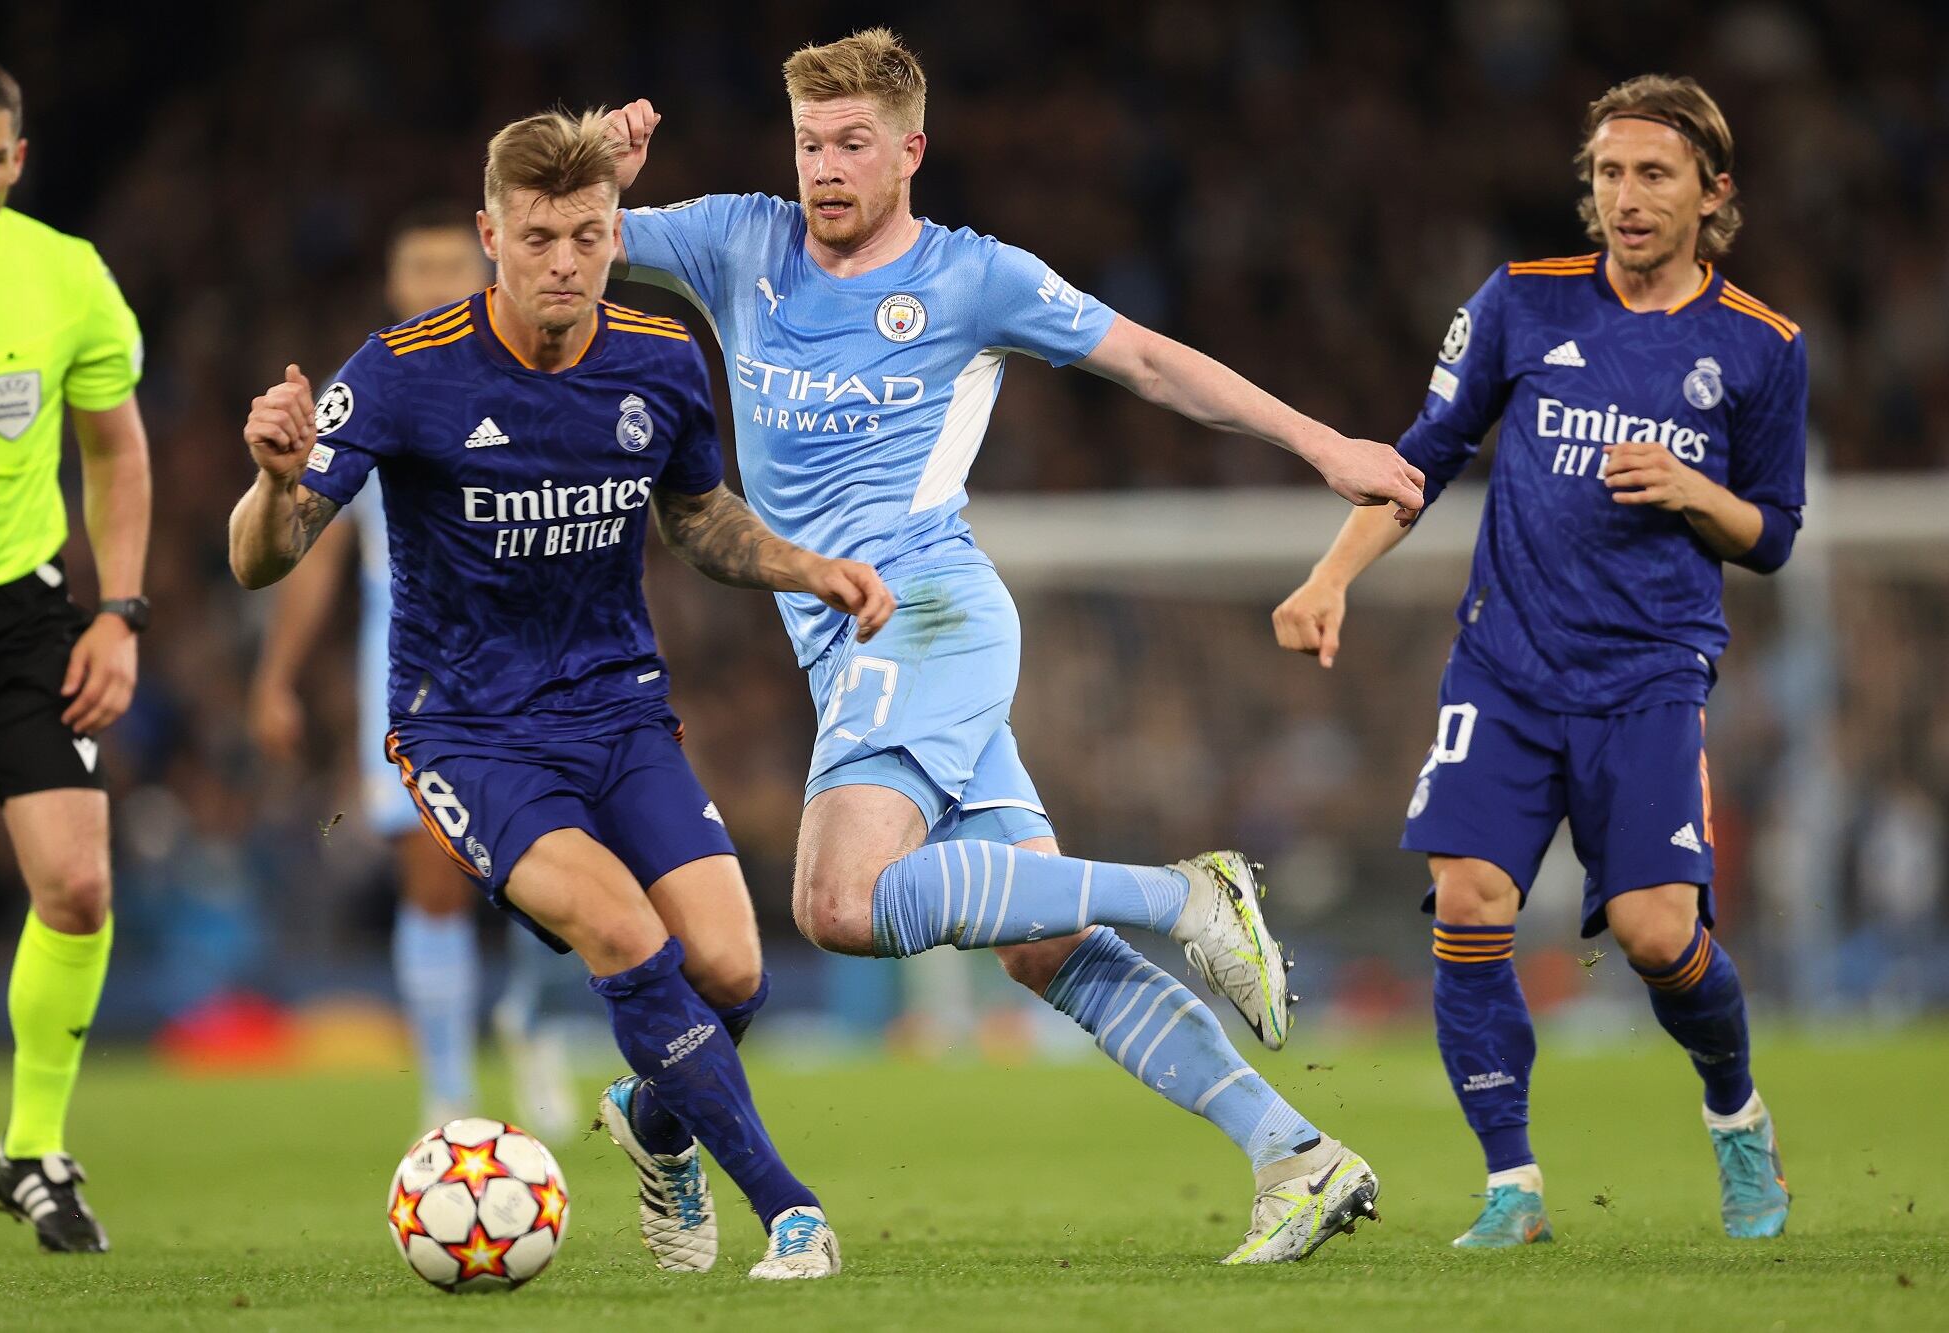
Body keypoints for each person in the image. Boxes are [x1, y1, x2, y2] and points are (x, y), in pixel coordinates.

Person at [601, 28, 1427, 1265]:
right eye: (809, 143)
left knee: (835, 899)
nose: (825, 169)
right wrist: (595, 169)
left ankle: (1184, 895)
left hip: (927, 613)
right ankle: (1293, 1154)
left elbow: (1148, 360)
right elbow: (548, 240)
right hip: (845, 649)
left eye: (853, 145)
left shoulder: (972, 277)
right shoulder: (736, 241)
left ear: (910, 151)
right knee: (1041, 946)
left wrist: (1323, 449)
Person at [227, 108, 894, 1280]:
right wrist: (274, 482)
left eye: (587, 236)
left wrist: (799, 563)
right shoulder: (402, 370)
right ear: (492, 234)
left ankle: (650, 1118)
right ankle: (788, 1211)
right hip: (468, 729)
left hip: (618, 711)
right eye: (537, 237)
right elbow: (263, 554)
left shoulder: (659, 357)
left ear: (609, 233)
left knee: (733, 971)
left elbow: (695, 513)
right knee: (628, 938)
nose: (564, 264)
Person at [1273, 75, 1802, 1247]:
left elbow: (1773, 533)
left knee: (1662, 935)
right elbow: (1421, 457)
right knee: (1466, 903)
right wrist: (1328, 576)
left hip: (1649, 679)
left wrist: (1693, 491)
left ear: (1712, 194)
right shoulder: (1519, 302)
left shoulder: (1759, 349)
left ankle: (1733, 1110)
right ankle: (1510, 1185)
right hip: (1503, 672)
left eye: (1652, 174)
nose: (1623, 196)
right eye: (1606, 173)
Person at [247, 205, 581, 1138]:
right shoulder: (375, 389)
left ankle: (533, 1016)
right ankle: (448, 1097)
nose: (435, 280)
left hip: (540, 661)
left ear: (480, 272)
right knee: (431, 879)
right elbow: (312, 548)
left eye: (449, 264)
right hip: (413, 665)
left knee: (565, 881)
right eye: (417, 266)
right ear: (396, 289)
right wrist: (276, 677)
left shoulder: (531, 377)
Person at [0, 52, 151, 1254]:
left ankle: (32, 1146)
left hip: (19, 613)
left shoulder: (67, 276)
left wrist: (118, 612)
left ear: (17, 162)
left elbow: (119, 452)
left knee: (76, 884)